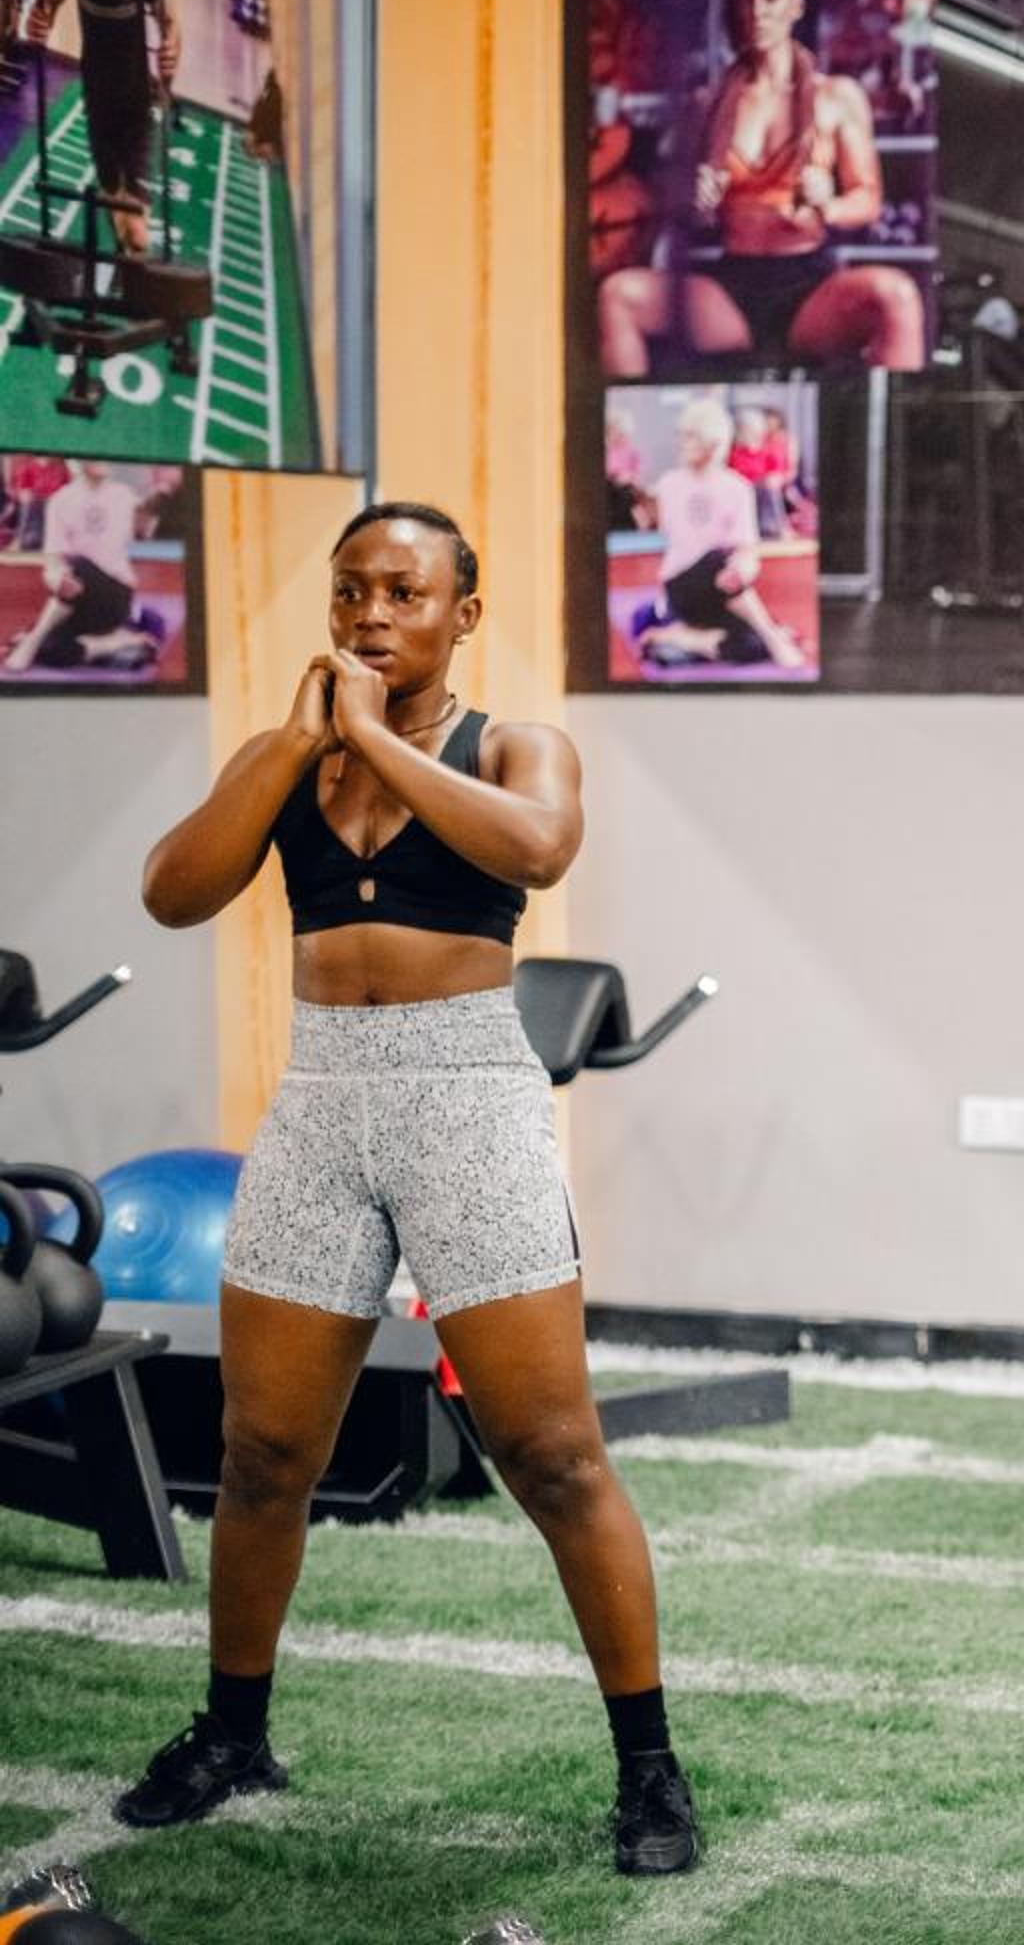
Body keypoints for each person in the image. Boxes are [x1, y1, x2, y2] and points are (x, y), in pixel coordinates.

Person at [125, 502, 702, 1877]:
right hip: (323, 1099)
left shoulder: (515, 744)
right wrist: (292, 748)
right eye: (350, 592)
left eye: (403, 591)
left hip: (469, 1099)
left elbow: (539, 849)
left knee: (552, 1455)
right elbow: (170, 894)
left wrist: (375, 736)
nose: (372, 614)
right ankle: (233, 1731)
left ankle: (650, 1768)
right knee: (263, 1454)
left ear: (462, 613)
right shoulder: (287, 755)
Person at [596, 0, 923, 377]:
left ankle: (889, 420)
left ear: (796, 6)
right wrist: (694, 199)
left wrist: (827, 206)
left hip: (809, 283)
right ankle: (629, 420)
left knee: (897, 296)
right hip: (733, 284)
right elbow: (675, 206)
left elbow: (868, 200)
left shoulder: (836, 96)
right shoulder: (708, 103)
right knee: (619, 295)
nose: (757, 12)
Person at [21, 0, 177, 260]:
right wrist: (40, 20)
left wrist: (171, 49)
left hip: (136, 101)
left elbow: (170, 22)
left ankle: (135, 264)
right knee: (111, 192)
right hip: (97, 94)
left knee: (135, 222)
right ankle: (125, 258)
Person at [634, 397, 804, 670]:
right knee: (719, 558)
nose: (681, 443)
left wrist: (740, 571)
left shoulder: (737, 488)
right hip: (683, 587)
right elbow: (674, 540)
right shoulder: (668, 484)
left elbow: (748, 552)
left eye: (690, 436)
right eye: (681, 435)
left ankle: (677, 638)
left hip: (723, 591)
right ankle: (772, 635)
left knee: (751, 643)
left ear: (713, 443)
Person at [4, 460, 152, 673]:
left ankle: (34, 637)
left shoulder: (125, 496)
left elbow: (143, 533)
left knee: (78, 565)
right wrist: (59, 580)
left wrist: (150, 513)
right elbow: (52, 564)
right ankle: (117, 643)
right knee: (51, 648)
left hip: (113, 598)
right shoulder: (61, 500)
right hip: (76, 601)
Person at [728, 402, 797, 539]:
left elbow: (777, 473)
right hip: (740, 489)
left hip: (761, 489)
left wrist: (772, 479)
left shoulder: (767, 450)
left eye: (749, 430)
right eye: (743, 429)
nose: (746, 433)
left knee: (769, 487)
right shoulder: (734, 453)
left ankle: (777, 527)